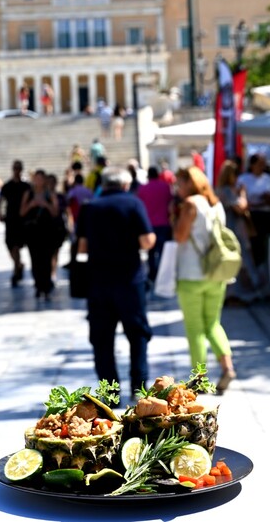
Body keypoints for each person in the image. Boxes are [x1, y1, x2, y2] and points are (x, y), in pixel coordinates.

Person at [77, 166, 156, 397]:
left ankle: (110, 393)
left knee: (102, 338)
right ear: (125, 184)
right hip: (130, 279)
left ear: (102, 184)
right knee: (137, 334)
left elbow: (82, 247)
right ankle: (138, 388)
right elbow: (147, 241)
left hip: (98, 282)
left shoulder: (89, 207)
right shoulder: (133, 204)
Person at [173, 166, 236, 393]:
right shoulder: (216, 204)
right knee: (213, 324)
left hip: (191, 274)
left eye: (180, 183)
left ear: (189, 183)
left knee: (195, 329)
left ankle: (199, 380)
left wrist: (174, 218)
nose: (177, 189)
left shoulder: (191, 204)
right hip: (216, 272)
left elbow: (179, 236)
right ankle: (227, 367)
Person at [216, 160, 260, 305]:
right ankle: (237, 294)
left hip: (229, 231)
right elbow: (240, 207)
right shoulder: (227, 191)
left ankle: (233, 294)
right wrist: (243, 194)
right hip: (234, 231)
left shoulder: (220, 190)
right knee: (241, 261)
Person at [237, 153, 270, 282]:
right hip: (251, 218)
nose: (262, 166)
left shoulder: (268, 180)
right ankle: (255, 275)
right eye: (260, 164)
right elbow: (242, 200)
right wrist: (254, 203)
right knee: (254, 246)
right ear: (252, 165)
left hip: (265, 217)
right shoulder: (243, 180)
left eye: (263, 164)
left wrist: (264, 200)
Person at [20, 169, 59, 300]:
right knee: (35, 259)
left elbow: (55, 212)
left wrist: (46, 204)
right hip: (33, 232)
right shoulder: (29, 194)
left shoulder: (50, 194)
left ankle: (46, 286)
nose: (38, 181)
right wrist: (31, 205)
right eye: (36, 178)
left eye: (41, 179)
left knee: (46, 259)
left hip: (47, 231)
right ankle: (38, 285)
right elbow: (22, 212)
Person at [0, 160, 31, 288]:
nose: (17, 170)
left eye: (19, 168)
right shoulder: (7, 186)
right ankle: (18, 264)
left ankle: (16, 270)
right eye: (15, 168)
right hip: (10, 219)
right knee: (10, 244)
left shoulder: (26, 186)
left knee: (17, 245)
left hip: (23, 220)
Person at [137, 166, 173, 285]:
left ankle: (152, 275)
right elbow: (170, 201)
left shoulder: (143, 188)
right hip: (164, 223)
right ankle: (163, 274)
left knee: (151, 252)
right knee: (163, 252)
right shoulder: (165, 187)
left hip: (149, 225)